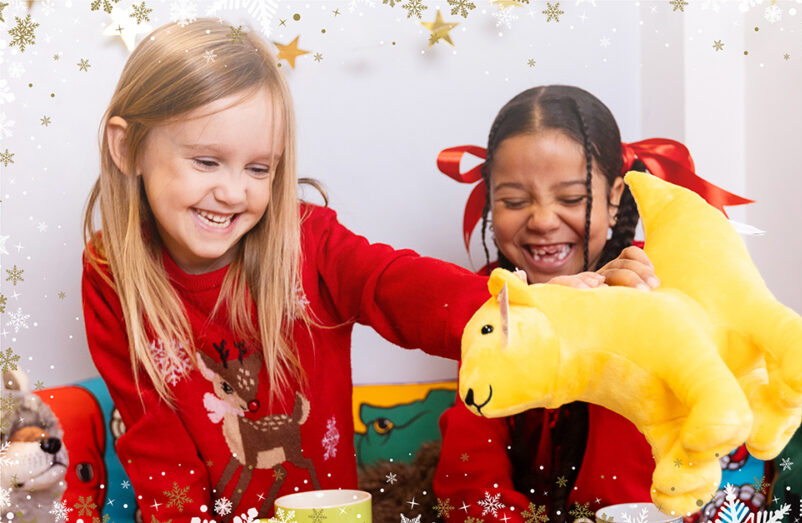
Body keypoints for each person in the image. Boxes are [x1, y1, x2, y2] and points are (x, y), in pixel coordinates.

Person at [81, 23, 655, 521]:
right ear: (127, 148)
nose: (233, 192)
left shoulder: (306, 241)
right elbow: (156, 450)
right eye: (207, 161)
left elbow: (394, 283)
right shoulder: (111, 275)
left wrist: (538, 308)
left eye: (260, 168)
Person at [434, 85, 753, 523]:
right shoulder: (495, 302)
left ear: (615, 196)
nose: (543, 220)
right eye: (513, 201)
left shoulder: (660, 285)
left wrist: (621, 325)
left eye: (570, 199)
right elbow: (470, 477)